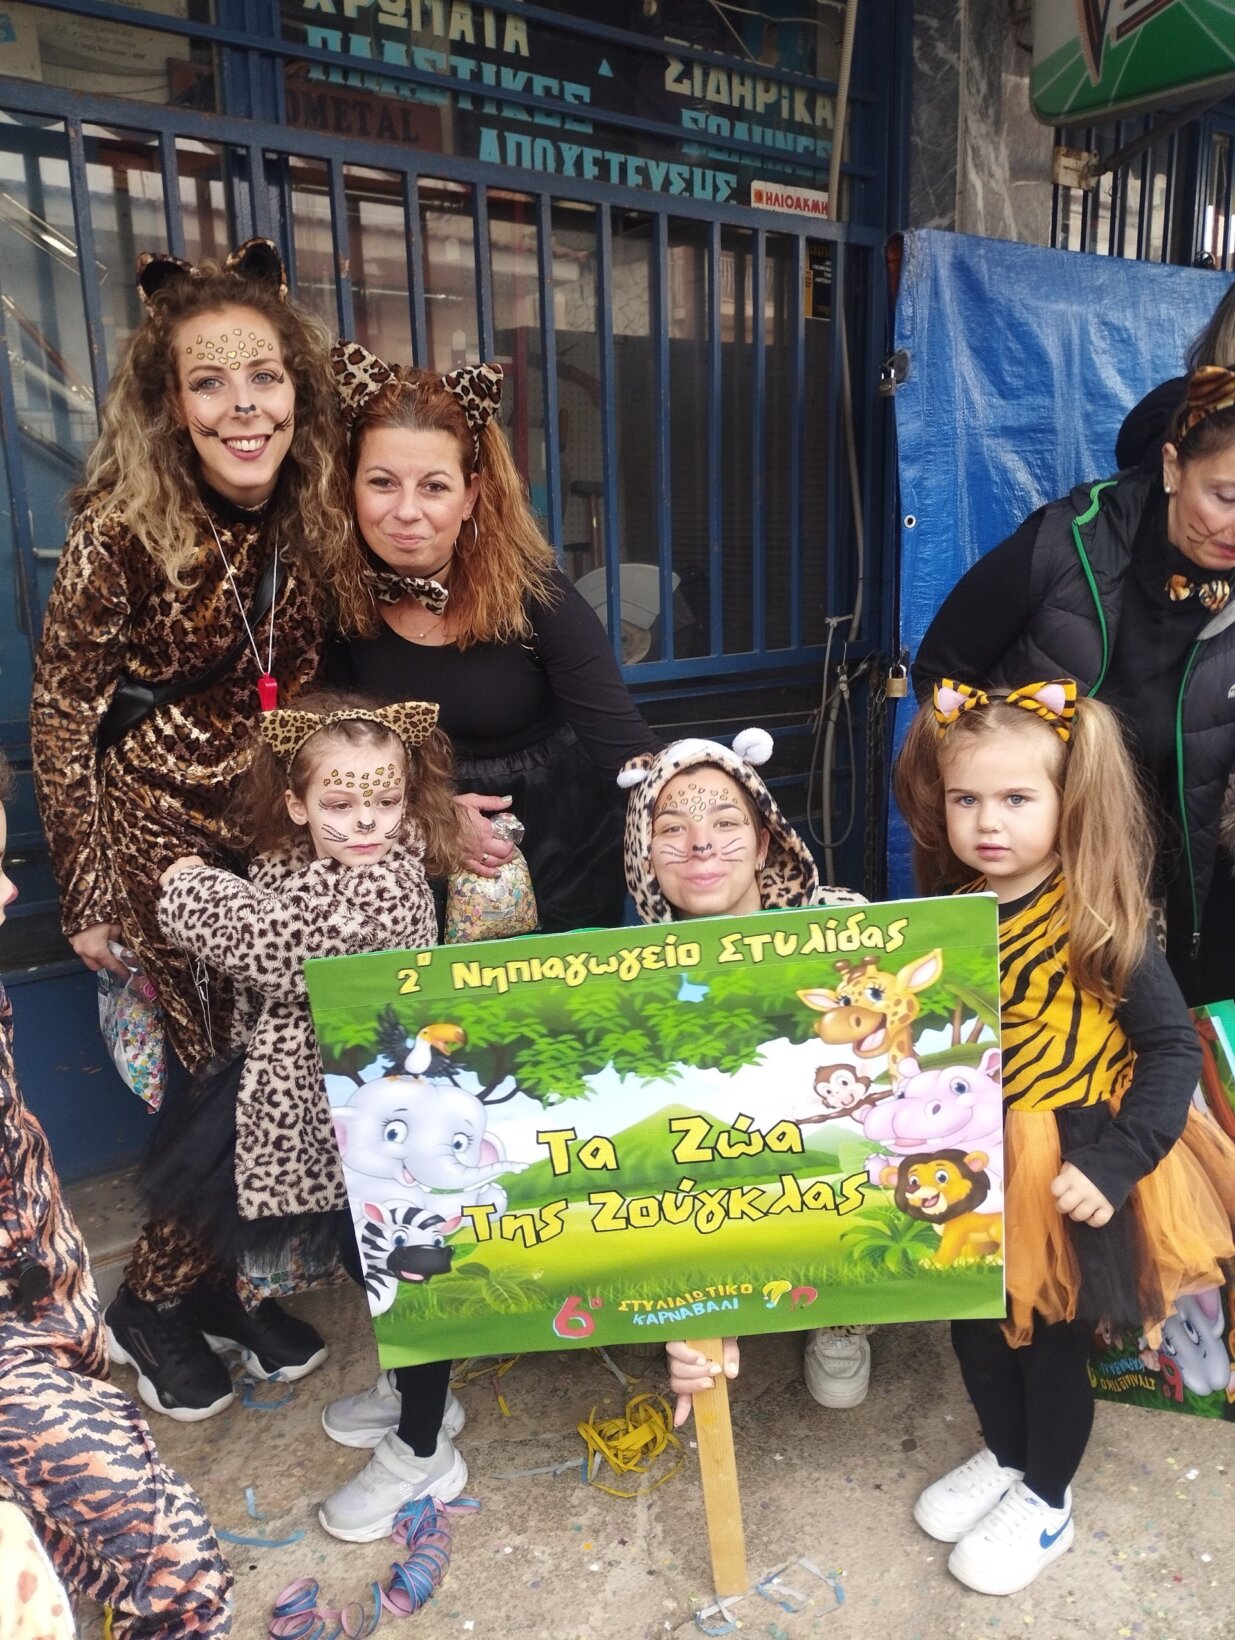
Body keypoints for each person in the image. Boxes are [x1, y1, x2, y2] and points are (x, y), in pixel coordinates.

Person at [29, 240, 360, 1417]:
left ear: (295, 387)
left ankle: (222, 1282)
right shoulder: (122, 529)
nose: (241, 405)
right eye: (209, 382)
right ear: (172, 404)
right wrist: (87, 892)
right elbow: (61, 714)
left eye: (262, 376)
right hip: (157, 836)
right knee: (220, 1075)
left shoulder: (312, 513)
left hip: (267, 830)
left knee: (278, 1058)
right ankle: (154, 1302)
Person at [891, 678, 1235, 1597]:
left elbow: (1170, 1050)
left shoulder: (1097, 918)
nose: (986, 822)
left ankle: (1047, 1499)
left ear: (1065, 800)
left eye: (1015, 798)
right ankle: (1008, 1456)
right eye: (965, 799)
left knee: (1046, 1343)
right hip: (972, 1160)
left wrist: (1115, 1163)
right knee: (973, 1327)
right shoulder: (952, 914)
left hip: (1069, 1165)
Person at [135, 692, 469, 1541]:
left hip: (378, 1124)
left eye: (385, 801)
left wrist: (186, 884)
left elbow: (273, 945)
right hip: (322, 1109)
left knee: (394, 1272)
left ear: (408, 796)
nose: (366, 823)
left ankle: (424, 1449)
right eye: (340, 804)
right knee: (369, 1263)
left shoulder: (386, 883)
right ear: (295, 805)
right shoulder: (302, 862)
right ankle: (416, 1395)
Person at [912, 366, 1235, 1007]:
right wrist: (1004, 786)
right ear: (1173, 468)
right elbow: (941, 672)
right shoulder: (1067, 543)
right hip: (1033, 871)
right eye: (1224, 497)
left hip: (1174, 877)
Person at [0, 752, 232, 1638]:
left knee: (62, 1556)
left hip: (51, 1319)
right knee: (176, 1571)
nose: (11, 892)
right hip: (17, 1364)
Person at [326, 342, 659, 933]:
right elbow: (320, 760)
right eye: (382, 482)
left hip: (560, 851)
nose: (407, 511)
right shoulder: (331, 603)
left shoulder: (535, 592)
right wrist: (428, 816)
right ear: (349, 487)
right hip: (398, 851)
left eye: (434, 486)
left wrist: (706, 801)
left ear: (471, 495)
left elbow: (624, 747)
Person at [616, 728, 874, 1420]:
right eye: (672, 828)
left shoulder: (847, 931)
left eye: (726, 823)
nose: (700, 844)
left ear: (764, 843)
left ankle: (843, 1312)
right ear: (644, 854)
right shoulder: (631, 979)